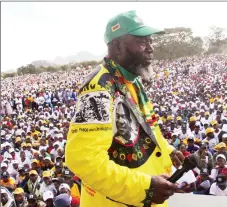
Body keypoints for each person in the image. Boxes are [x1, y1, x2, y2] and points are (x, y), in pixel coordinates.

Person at [66, 10, 185, 207]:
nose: (150, 48)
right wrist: (145, 187)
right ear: (118, 46)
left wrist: (167, 150)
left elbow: (146, 127)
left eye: (150, 41)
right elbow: (83, 159)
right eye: (141, 42)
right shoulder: (98, 89)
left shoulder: (131, 78)